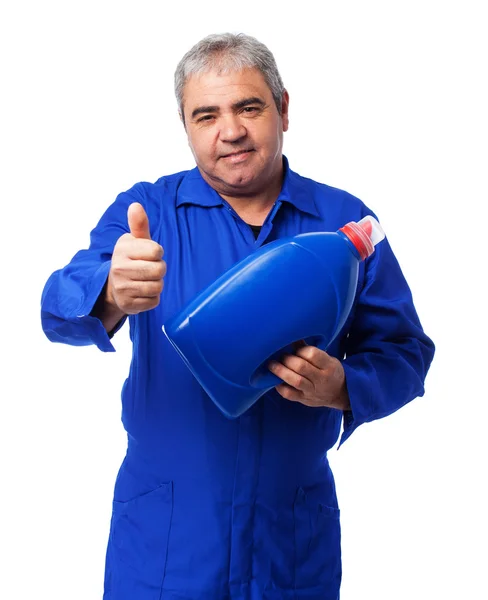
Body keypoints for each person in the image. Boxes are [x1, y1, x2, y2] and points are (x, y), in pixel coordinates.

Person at [40, 32, 435, 600]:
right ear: (186, 126)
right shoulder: (148, 212)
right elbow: (57, 307)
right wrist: (108, 290)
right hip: (167, 539)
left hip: (290, 540)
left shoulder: (344, 222)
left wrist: (344, 385)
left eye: (248, 107)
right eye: (206, 115)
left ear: (283, 109)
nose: (230, 131)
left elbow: (406, 355)